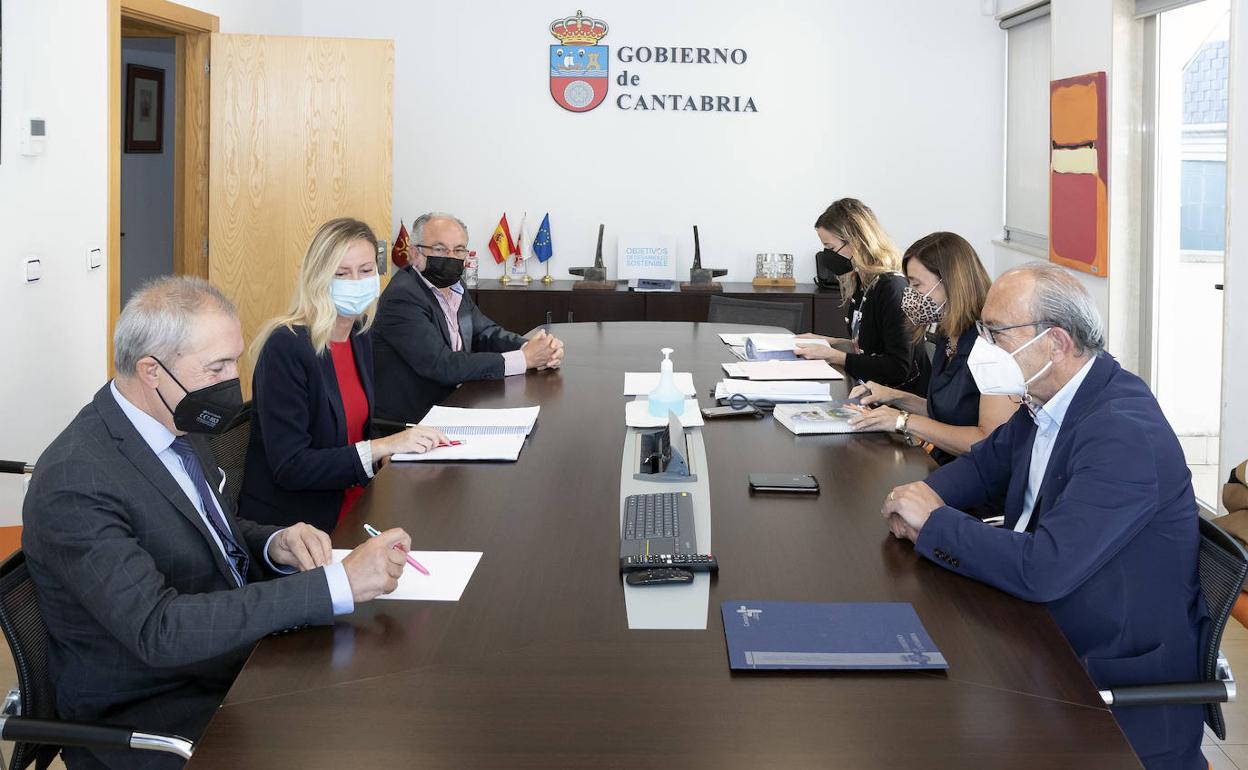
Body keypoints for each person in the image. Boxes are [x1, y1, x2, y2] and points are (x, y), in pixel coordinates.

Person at [22, 277, 414, 770]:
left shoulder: (176, 421)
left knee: (385, 694)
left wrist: (274, 543)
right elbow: (159, 630)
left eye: (235, 361)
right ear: (152, 371)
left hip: (229, 658)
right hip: (158, 707)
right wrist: (335, 583)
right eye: (218, 367)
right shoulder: (77, 480)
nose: (234, 381)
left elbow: (209, 531)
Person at [880, 262, 1207, 769]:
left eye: (996, 333)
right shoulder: (1049, 399)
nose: (983, 348)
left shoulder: (1121, 431)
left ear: (1055, 343)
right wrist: (919, 495)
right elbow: (987, 469)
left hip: (1103, 689)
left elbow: (1044, 569)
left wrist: (935, 523)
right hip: (1042, 640)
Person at [241, 218, 447, 534]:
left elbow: (354, 433)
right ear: (318, 278)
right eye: (341, 273)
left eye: (365, 271)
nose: (356, 281)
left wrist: (386, 454)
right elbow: (291, 466)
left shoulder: (359, 334)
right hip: (300, 528)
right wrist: (382, 446)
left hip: (357, 502)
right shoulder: (287, 345)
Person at [373, 212, 566, 422]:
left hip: (453, 405)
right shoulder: (403, 297)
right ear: (414, 253)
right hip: (412, 423)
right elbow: (442, 364)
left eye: (458, 250)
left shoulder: (455, 287)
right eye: (439, 249)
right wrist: (524, 359)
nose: (450, 257)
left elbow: (485, 332)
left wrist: (534, 348)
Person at [843, 232, 1014, 465]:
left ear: (951, 281)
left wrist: (903, 420)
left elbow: (987, 441)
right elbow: (945, 413)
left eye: (916, 284)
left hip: (979, 481)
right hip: (944, 462)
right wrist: (894, 397)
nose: (910, 295)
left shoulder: (992, 347)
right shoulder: (947, 334)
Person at [795, 198, 930, 395]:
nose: (828, 256)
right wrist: (828, 341)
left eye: (831, 248)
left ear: (856, 240)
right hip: (871, 393)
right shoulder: (862, 283)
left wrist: (836, 356)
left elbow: (898, 367)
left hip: (900, 401)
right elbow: (870, 347)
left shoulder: (893, 288)